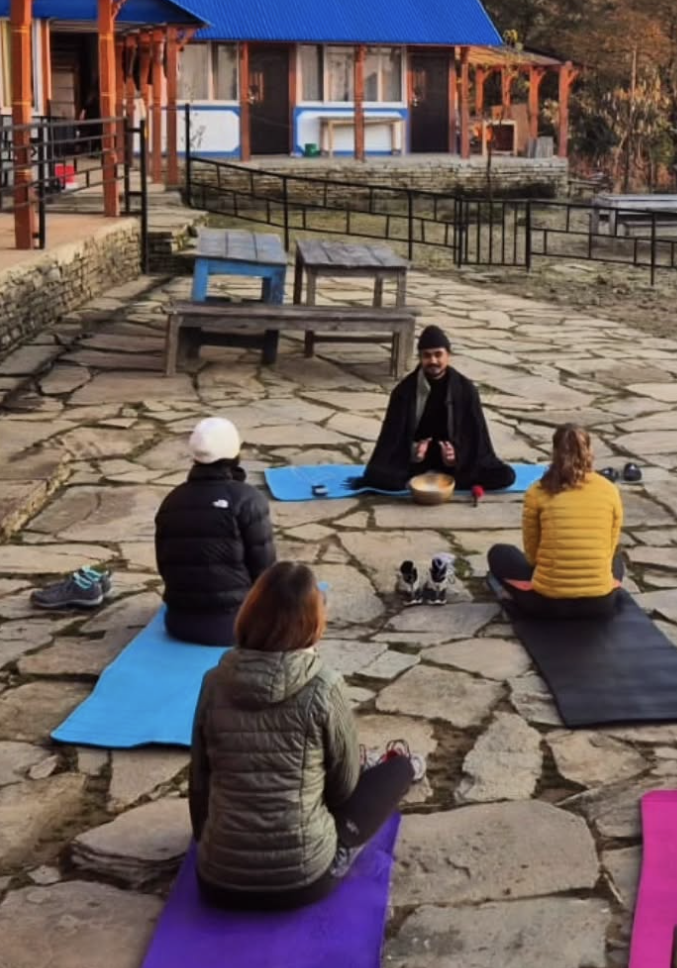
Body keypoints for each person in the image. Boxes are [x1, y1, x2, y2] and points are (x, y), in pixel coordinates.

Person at [189, 561, 421, 910]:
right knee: (400, 769)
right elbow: (343, 789)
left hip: (217, 879)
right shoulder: (324, 686)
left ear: (249, 614)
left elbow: (200, 778)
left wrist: (209, 840)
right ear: (313, 623)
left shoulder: (213, 682)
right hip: (304, 880)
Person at [155, 418, 276, 646]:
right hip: (237, 626)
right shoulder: (248, 499)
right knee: (305, 592)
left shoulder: (172, 500)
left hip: (179, 622)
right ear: (235, 452)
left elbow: (164, 565)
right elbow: (264, 570)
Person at [487, 423, 625, 618]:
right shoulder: (609, 490)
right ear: (589, 451)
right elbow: (609, 548)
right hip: (601, 602)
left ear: (554, 452)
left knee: (499, 553)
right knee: (616, 558)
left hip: (547, 603)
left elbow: (533, 557)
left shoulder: (537, 491)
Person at [360, 325, 515, 494]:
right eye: (427, 355)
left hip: (452, 461)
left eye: (438, 354)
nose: (433, 361)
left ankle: (427, 479)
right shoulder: (404, 391)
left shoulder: (465, 389)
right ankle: (431, 479)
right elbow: (391, 440)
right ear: (420, 358)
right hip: (416, 460)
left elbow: (477, 440)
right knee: (377, 475)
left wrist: (456, 456)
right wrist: (414, 452)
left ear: (448, 355)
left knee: (505, 475)